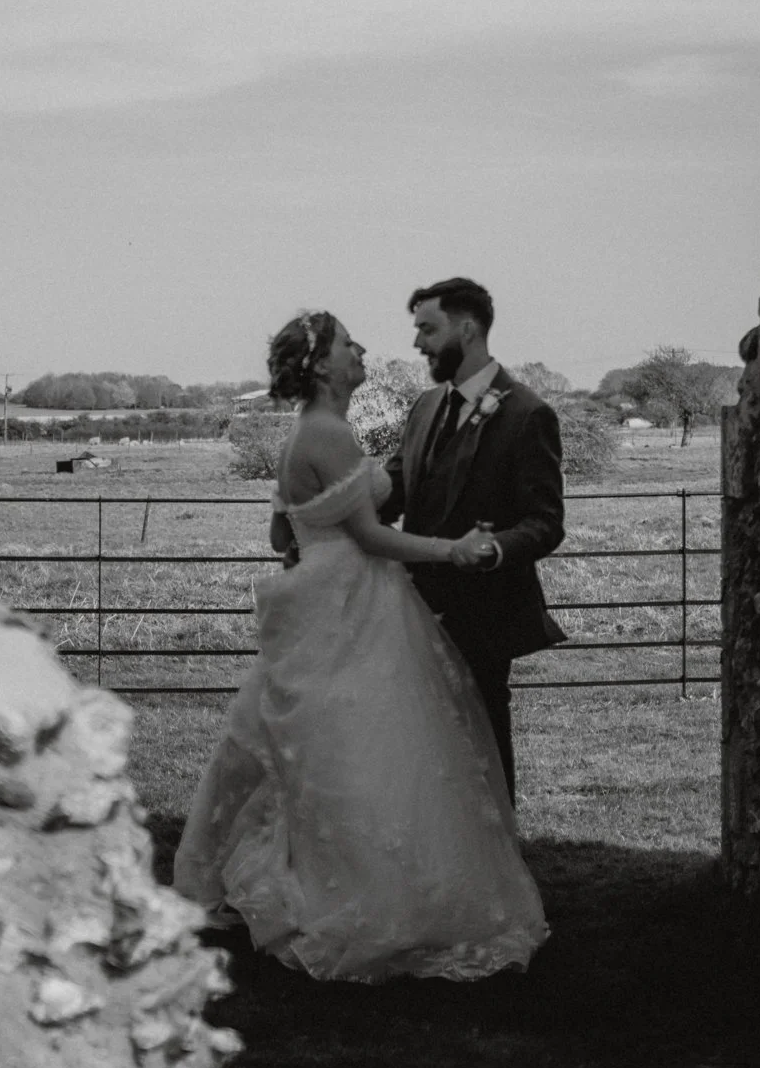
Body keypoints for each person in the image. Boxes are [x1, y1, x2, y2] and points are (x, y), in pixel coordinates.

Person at [172, 310, 547, 983]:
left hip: (330, 603)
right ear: (321, 364)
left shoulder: (310, 435)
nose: (362, 349)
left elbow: (280, 538)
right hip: (352, 607)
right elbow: (374, 537)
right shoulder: (326, 433)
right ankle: (367, 894)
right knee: (372, 744)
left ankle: (325, 872)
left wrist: (313, 537)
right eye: (349, 343)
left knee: (326, 745)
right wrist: (454, 548)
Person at [380, 278, 566, 801]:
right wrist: (331, 509)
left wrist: (494, 548)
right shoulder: (423, 407)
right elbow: (395, 488)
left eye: (427, 330)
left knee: (482, 745)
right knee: (419, 745)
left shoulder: (528, 414)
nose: (418, 344)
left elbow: (545, 521)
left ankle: (499, 860)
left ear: (467, 329)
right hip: (412, 608)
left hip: (484, 613)